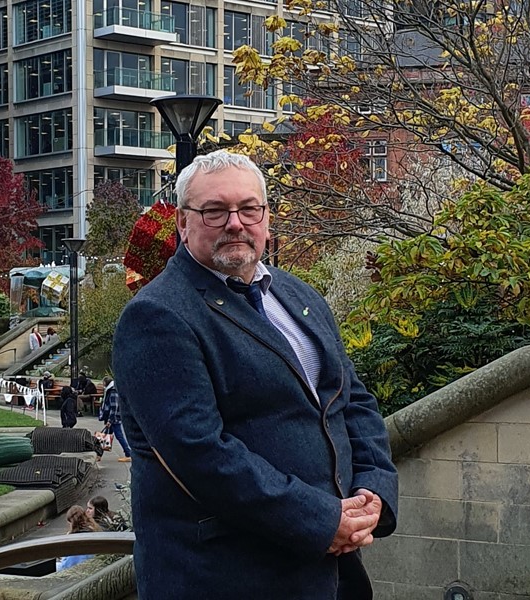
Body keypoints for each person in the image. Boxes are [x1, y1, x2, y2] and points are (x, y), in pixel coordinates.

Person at [113, 150, 398, 599]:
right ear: (183, 224)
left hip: (332, 573)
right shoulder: (157, 315)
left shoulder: (298, 295)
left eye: (249, 209)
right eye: (214, 210)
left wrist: (374, 492)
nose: (235, 223)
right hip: (227, 576)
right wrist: (322, 521)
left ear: (265, 218)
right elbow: (200, 454)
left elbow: (351, 400)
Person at [56, 505, 100, 571]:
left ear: (71, 522)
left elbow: (67, 565)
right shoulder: (93, 530)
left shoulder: (73, 540)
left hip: (78, 569)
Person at [99, 376, 132, 463]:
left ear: (106, 383)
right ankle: (99, 454)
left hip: (113, 418)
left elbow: (114, 407)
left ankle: (128, 453)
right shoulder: (112, 390)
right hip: (114, 418)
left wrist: (110, 420)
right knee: (106, 436)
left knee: (116, 436)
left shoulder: (112, 391)